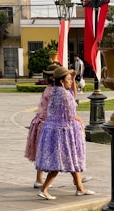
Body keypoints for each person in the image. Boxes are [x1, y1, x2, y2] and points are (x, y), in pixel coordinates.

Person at [35, 66, 95, 200]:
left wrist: (73, 79)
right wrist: (79, 122)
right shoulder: (64, 94)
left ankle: (80, 188)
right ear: (62, 81)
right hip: (64, 132)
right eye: (68, 79)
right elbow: (71, 114)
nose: (70, 81)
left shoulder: (54, 91)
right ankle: (44, 189)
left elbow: (71, 99)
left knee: (72, 159)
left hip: (53, 130)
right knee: (59, 162)